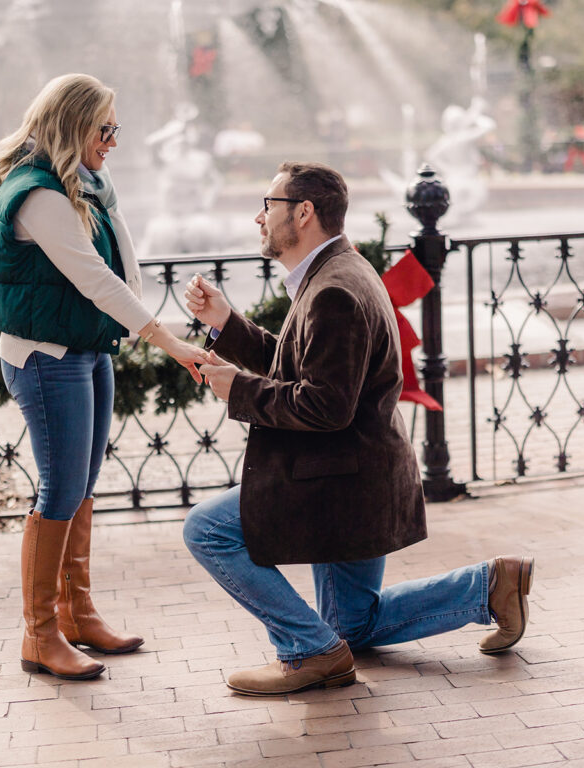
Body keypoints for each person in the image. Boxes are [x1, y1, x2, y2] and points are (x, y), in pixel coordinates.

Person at [183, 161, 534, 696]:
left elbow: (326, 405)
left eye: (268, 205)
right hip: (360, 475)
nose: (259, 217)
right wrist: (228, 327)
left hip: (338, 482)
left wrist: (240, 391)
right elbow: (309, 365)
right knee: (353, 624)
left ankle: (309, 652)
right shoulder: (338, 270)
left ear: (303, 213)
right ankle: (489, 586)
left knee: (207, 529)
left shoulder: (333, 290)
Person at [0, 74, 207, 681]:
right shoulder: (39, 195)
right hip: (46, 356)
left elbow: (124, 268)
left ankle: (78, 613)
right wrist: (170, 342)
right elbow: (96, 281)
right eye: (103, 129)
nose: (113, 140)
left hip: (85, 349)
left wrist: (105, 191)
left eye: (116, 129)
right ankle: (40, 634)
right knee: (59, 490)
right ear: (72, 125)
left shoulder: (80, 185)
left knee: (81, 488)